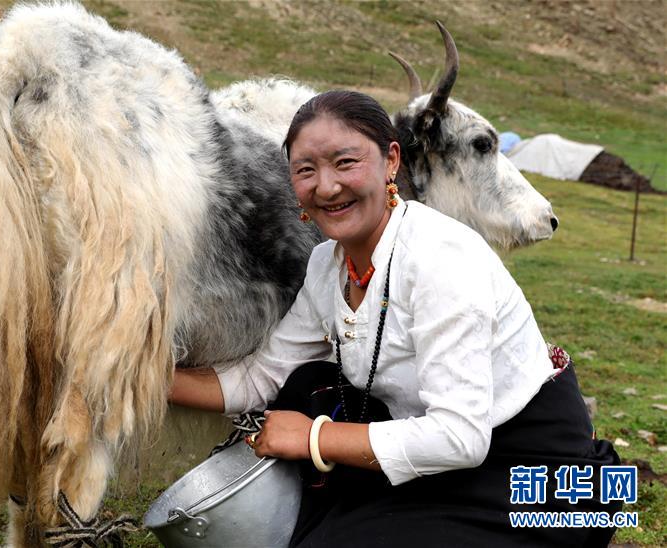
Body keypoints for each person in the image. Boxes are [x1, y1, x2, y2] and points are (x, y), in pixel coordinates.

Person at [170, 90, 622, 547]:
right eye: (306, 170)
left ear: (391, 161)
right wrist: (143, 379)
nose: (326, 187)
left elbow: (461, 438)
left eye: (345, 163)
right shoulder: (329, 265)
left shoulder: (439, 259)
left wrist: (314, 437)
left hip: (525, 466)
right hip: (431, 453)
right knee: (307, 387)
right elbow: (261, 377)